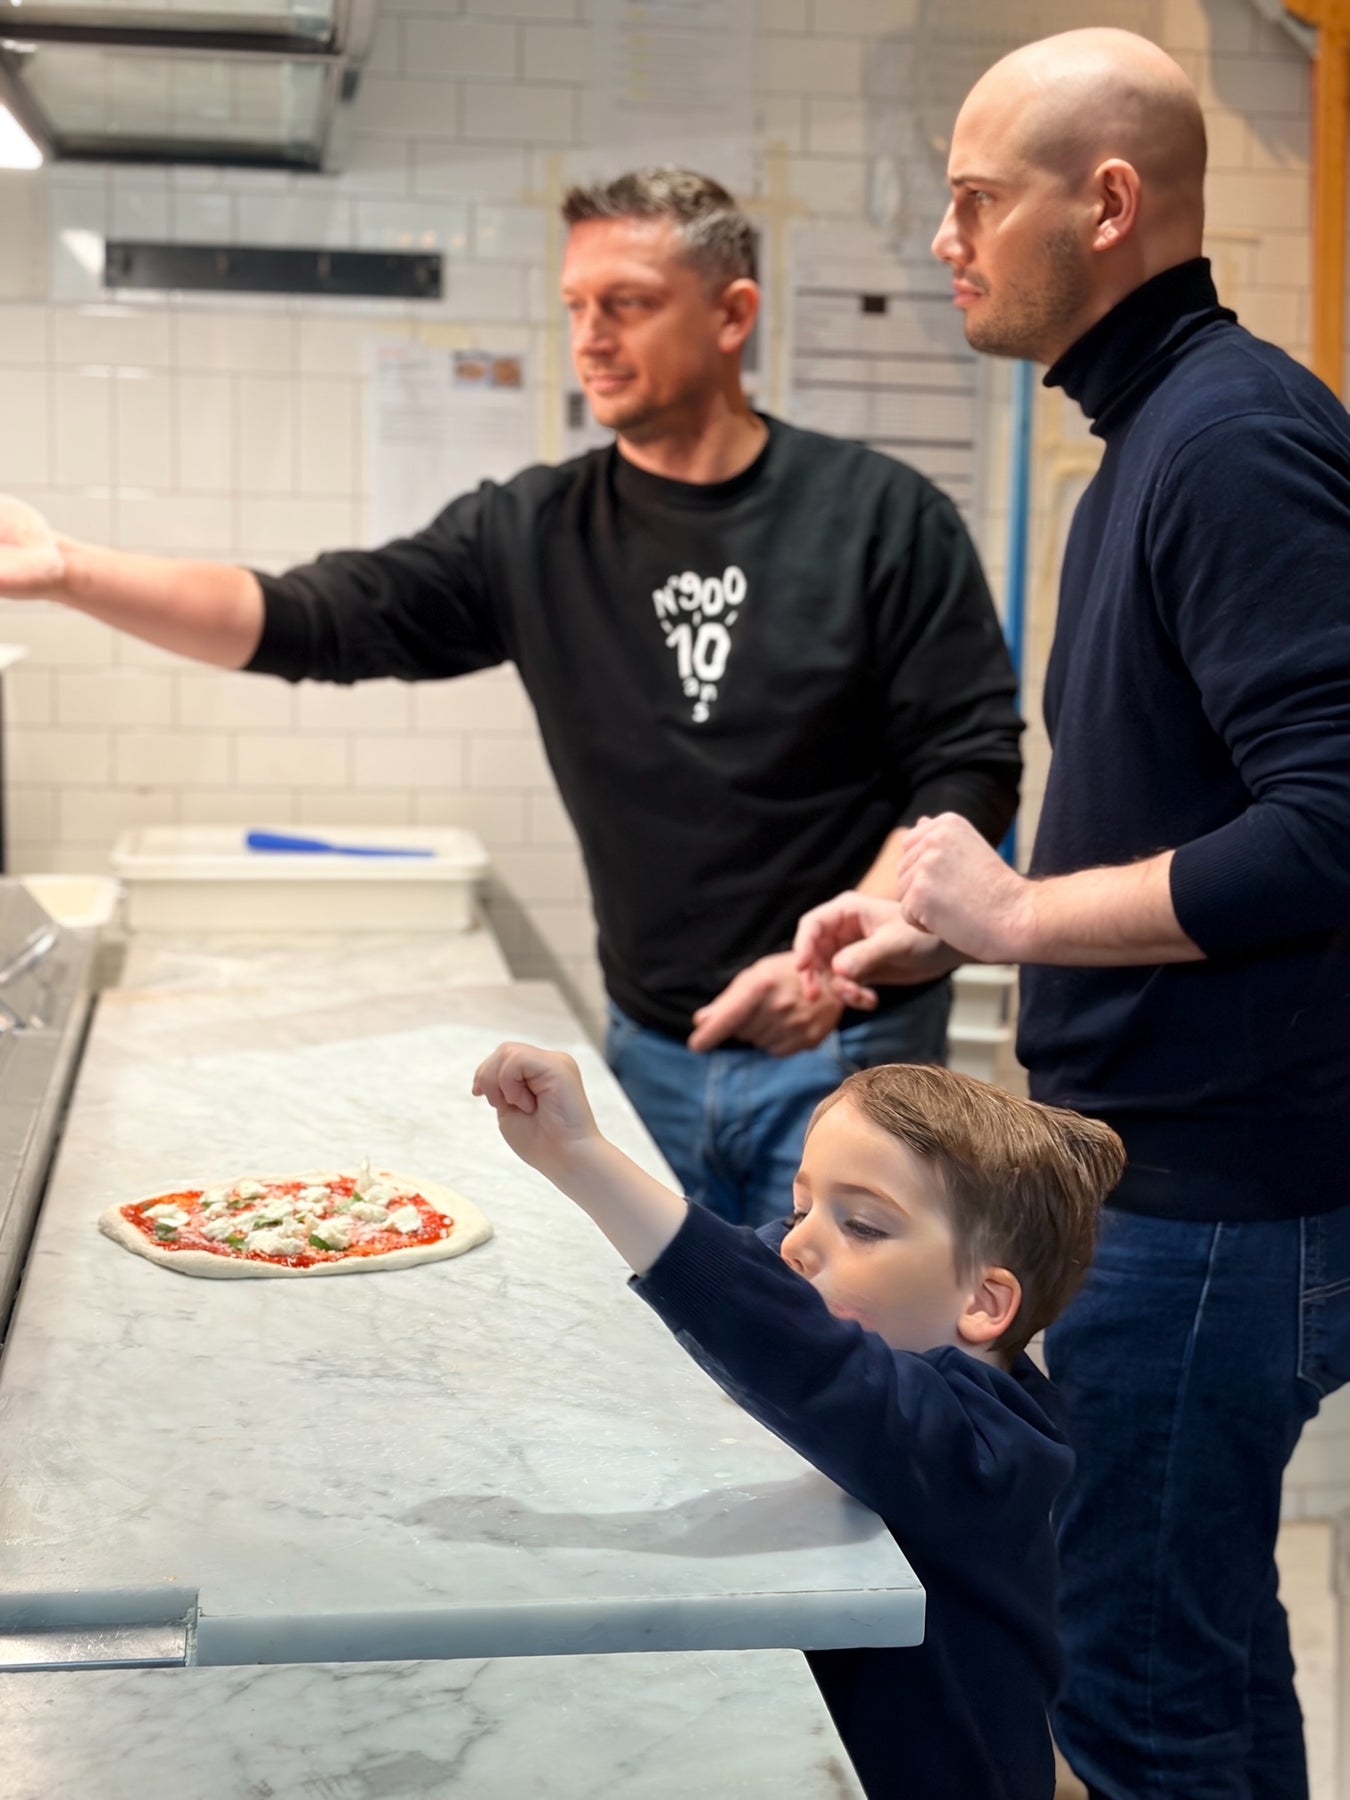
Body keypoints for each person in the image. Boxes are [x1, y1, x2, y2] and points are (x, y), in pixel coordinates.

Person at [0, 168, 1020, 1231]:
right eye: (575, 306)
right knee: (664, 1331)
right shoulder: (534, 530)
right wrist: (68, 570)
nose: (591, 338)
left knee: (834, 1335)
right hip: (650, 1049)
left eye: (627, 303)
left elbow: (971, 762)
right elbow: (303, 616)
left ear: (732, 315)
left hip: (851, 1051)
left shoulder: (882, 516)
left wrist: (833, 961)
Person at [793, 28, 1350, 1800]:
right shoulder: (1152, 442)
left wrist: (1021, 915)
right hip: (1171, 1191)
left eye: (975, 199)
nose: (942, 237)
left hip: (1213, 1206)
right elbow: (1193, 806)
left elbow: (1331, 827)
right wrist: (952, 927)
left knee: (1133, 1707)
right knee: (1203, 1661)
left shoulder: (1229, 441)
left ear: (1107, 206)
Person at [472, 1038, 1124, 1800]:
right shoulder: (917, 1370)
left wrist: (584, 1159)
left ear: (983, 1303)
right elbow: (757, 1285)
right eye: (801, 1206)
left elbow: (798, 1350)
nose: (797, 1242)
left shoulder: (985, 1451)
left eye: (863, 1226)